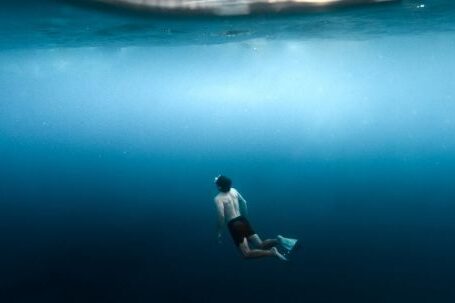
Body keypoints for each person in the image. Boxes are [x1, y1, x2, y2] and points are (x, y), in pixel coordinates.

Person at [214, 175, 298, 261]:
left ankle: (272, 252)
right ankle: (278, 240)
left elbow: (221, 216)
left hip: (234, 225)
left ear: (219, 186)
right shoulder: (234, 190)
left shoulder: (218, 198)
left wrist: (219, 232)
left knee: (246, 253)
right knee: (260, 245)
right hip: (242, 220)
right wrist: (245, 218)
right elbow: (244, 202)